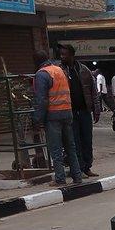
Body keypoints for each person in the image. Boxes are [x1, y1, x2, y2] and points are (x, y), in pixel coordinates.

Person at [33, 52, 83, 185]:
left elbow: (41, 100)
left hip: (53, 115)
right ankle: (77, 176)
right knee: (70, 147)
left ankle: (60, 178)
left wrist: (37, 119)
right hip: (67, 113)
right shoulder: (59, 71)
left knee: (56, 149)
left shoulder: (42, 74)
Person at [59, 45, 100, 177]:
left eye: (65, 54)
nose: (62, 57)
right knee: (74, 141)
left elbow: (93, 91)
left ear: (72, 55)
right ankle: (78, 168)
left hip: (84, 111)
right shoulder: (60, 71)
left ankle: (87, 166)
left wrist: (96, 109)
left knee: (87, 140)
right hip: (69, 112)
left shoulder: (83, 70)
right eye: (61, 54)